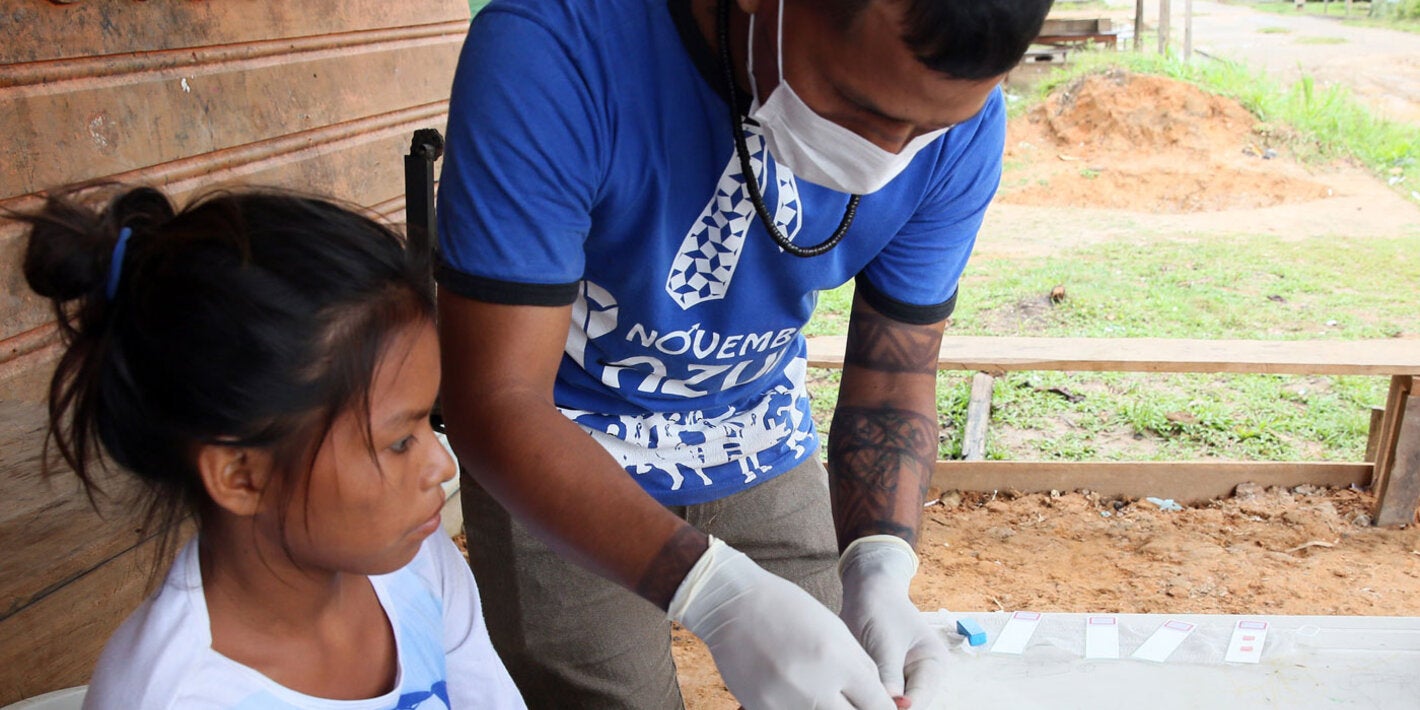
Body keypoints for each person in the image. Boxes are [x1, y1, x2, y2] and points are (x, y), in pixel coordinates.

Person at [435, 0, 1052, 708]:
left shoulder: (964, 127)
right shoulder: (555, 50)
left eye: (931, 129)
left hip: (756, 432)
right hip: (556, 447)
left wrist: (879, 564)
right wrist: (714, 591)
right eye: (856, 107)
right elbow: (496, 398)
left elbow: (894, 374)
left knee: (850, 687)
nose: (887, 157)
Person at [16, 185, 526, 709]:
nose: (441, 464)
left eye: (428, 422)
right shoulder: (176, 697)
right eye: (400, 442)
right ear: (241, 476)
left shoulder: (417, 565)